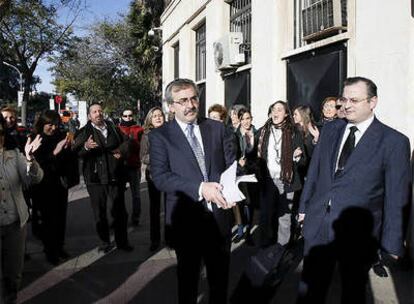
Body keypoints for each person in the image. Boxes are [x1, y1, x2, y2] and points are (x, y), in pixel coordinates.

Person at [297, 77, 411, 303]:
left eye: (355, 100)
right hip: (318, 224)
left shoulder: (393, 142)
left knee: (353, 292)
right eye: (344, 99)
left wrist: (393, 241)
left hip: (358, 233)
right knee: (309, 292)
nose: (346, 105)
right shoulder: (330, 130)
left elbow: (397, 197)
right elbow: (316, 173)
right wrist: (304, 207)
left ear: (373, 102)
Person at [149, 78, 236, 304]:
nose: (190, 105)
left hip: (219, 217)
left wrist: (233, 189)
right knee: (188, 282)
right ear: (171, 106)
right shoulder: (160, 135)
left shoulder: (216, 128)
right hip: (186, 222)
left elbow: (228, 166)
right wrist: (200, 188)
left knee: (220, 281)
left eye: (193, 98)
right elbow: (160, 177)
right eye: (182, 101)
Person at [73, 103, 133, 253]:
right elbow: (76, 151)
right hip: (95, 179)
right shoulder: (84, 132)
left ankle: (122, 242)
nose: (98, 113)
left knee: (119, 211)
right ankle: (105, 242)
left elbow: (127, 141)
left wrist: (121, 150)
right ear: (89, 116)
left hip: (115, 176)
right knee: (99, 212)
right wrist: (86, 147)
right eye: (94, 112)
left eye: (100, 110)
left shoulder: (113, 128)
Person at [0, 116, 43, 304]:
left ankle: (11, 297)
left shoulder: (14, 154)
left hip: (15, 223)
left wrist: (29, 158)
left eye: (0, 132)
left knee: (13, 272)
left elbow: (34, 179)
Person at [257, 101, 306, 247]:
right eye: (273, 109)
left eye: (279, 109)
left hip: (286, 180)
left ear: (286, 114)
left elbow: (303, 161)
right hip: (268, 180)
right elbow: (254, 154)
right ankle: (265, 249)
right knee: (265, 216)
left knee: (284, 218)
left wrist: (296, 157)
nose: (275, 112)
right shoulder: (262, 132)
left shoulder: (293, 132)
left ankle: (281, 250)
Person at [30, 110, 76, 265]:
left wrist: (69, 148)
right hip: (42, 186)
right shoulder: (35, 139)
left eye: (56, 124)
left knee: (60, 217)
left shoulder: (61, 136)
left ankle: (59, 246)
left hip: (59, 184)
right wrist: (55, 152)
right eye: (50, 125)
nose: (53, 128)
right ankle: (50, 251)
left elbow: (69, 161)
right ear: (42, 124)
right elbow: (36, 165)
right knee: (47, 220)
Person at [140, 106, 165, 251]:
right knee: (155, 209)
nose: (157, 117)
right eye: (154, 115)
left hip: (170, 174)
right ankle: (154, 240)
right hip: (154, 175)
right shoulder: (147, 135)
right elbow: (143, 157)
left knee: (170, 208)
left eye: (160, 115)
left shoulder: (170, 132)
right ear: (150, 119)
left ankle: (170, 238)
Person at [233, 108, 258, 244]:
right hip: (238, 173)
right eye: (243, 119)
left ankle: (248, 232)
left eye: (248, 118)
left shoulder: (257, 133)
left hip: (253, 173)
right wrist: (238, 163)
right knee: (239, 202)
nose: (246, 121)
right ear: (240, 120)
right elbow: (231, 153)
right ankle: (240, 228)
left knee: (250, 202)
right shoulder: (235, 135)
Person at [118, 109, 144, 226]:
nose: (128, 117)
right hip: (120, 167)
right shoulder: (117, 129)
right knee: (118, 195)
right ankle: (120, 217)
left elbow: (143, 147)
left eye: (130, 115)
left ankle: (136, 217)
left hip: (134, 166)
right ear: (121, 117)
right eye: (125, 116)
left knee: (136, 194)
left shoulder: (138, 129)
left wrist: (134, 144)